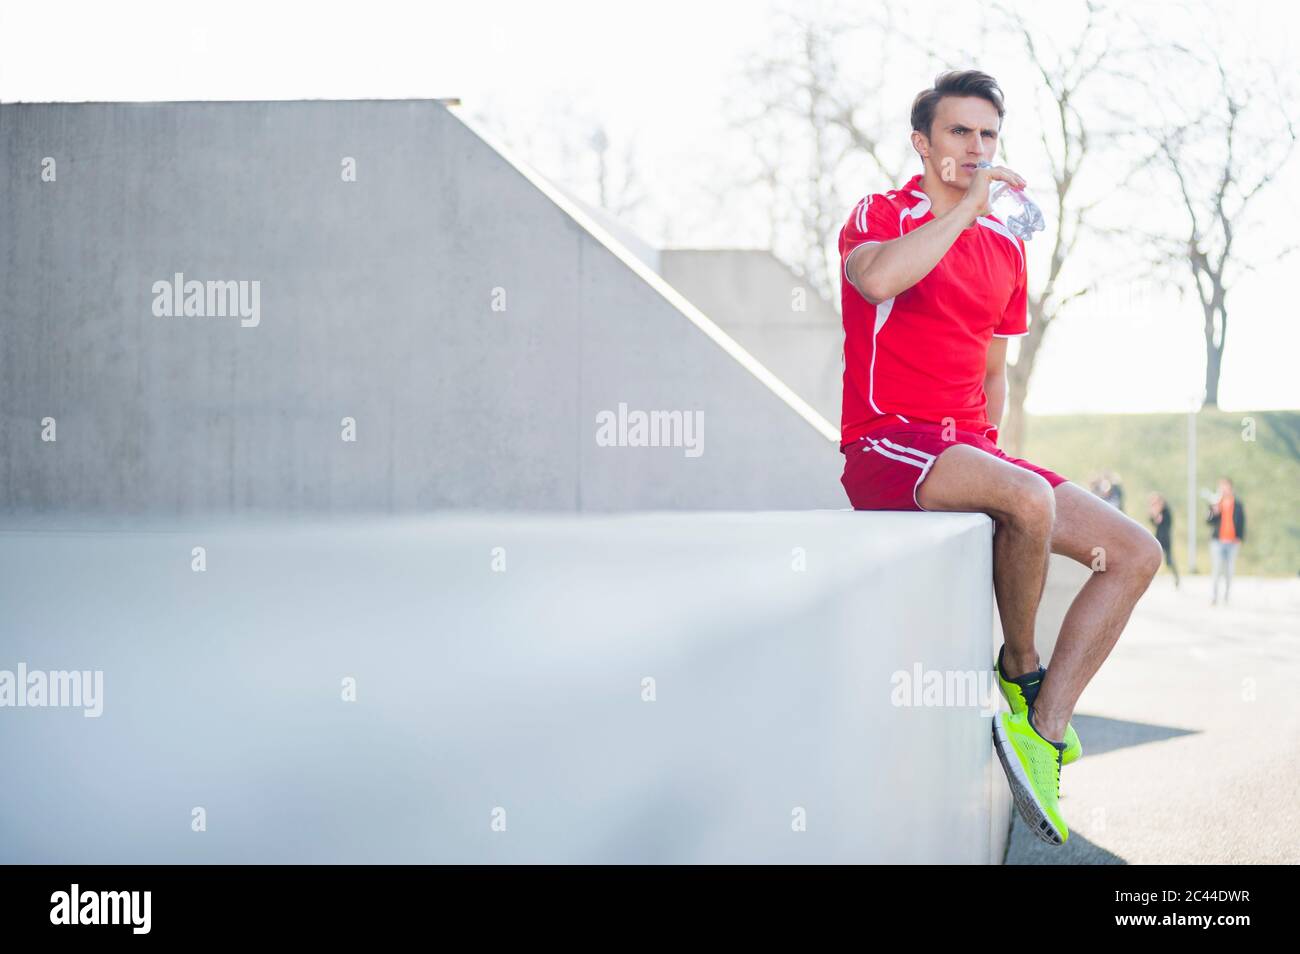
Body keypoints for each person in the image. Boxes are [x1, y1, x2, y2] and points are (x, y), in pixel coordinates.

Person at [837, 70, 1162, 846]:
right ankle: (1020, 669)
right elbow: (877, 278)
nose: (977, 148)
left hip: (968, 446)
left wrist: (998, 461)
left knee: (1134, 552)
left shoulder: (1005, 249)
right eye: (959, 132)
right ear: (923, 142)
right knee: (1025, 498)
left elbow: (992, 370)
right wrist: (966, 211)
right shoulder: (881, 213)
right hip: (888, 441)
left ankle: (1040, 731)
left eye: (988, 134)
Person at [1206, 477, 1246, 606]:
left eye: (1226, 486)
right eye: (1221, 487)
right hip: (1218, 541)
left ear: (1230, 487)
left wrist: (1240, 537)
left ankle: (1226, 596)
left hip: (1232, 542)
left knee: (1229, 570)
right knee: (1217, 568)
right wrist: (1214, 511)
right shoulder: (1216, 503)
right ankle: (1214, 596)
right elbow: (1208, 521)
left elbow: (1242, 522)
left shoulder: (1237, 504)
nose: (1223, 489)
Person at [1148, 492, 1180, 588]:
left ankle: (1176, 578)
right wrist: (1153, 514)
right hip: (1158, 538)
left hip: (1166, 538)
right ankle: (1150, 578)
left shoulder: (1166, 512)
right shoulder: (1157, 513)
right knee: (1153, 559)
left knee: (1169, 560)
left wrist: (1157, 515)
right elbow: (1153, 522)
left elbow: (1166, 523)